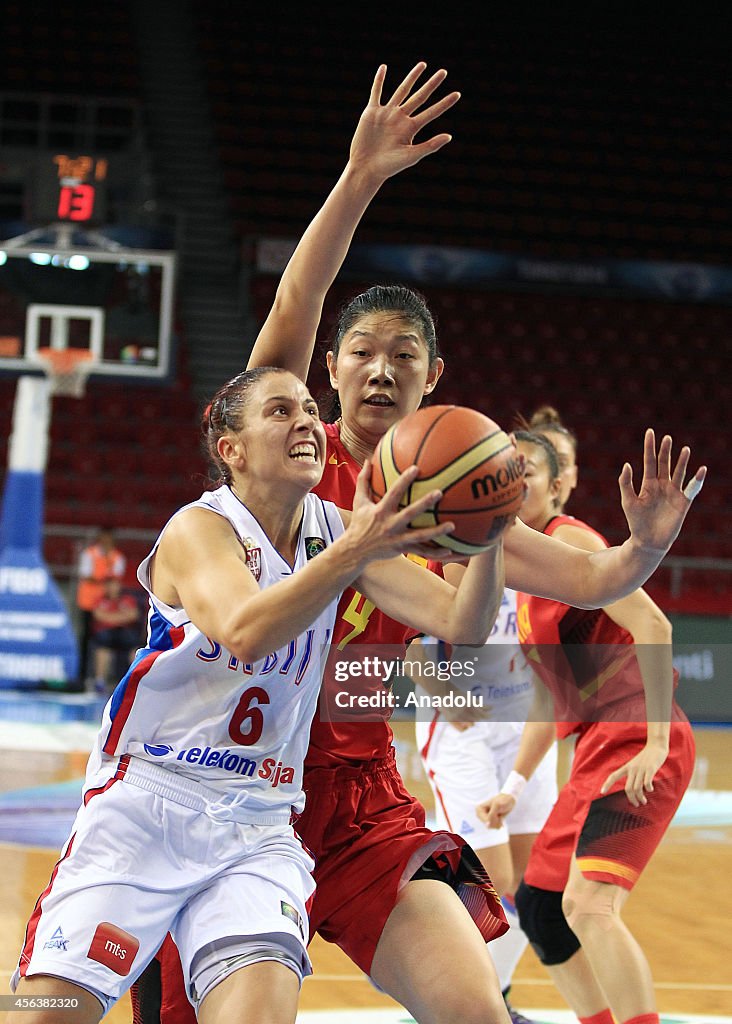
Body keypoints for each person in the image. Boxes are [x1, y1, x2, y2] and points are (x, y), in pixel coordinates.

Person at [132, 62, 706, 1024]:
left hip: (354, 792)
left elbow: (601, 577)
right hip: (215, 782)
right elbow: (292, 308)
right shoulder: (286, 453)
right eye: (362, 351)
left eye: (405, 355)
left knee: (473, 1008)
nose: (382, 369)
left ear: (436, 377)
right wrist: (359, 179)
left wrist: (644, 544)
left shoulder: (449, 504)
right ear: (329, 367)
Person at [8, 365, 512, 1024]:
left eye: (309, 408)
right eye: (280, 411)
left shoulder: (334, 529)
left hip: (258, 822)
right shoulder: (201, 528)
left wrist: (492, 531)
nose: (306, 419)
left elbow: (462, 624)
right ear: (232, 450)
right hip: (148, 808)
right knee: (42, 1016)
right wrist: (355, 548)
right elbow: (247, 631)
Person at [476, 430, 698, 1024]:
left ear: (553, 486)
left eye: (524, 472)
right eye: (502, 473)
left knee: (589, 906)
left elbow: (653, 624)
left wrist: (655, 740)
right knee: (542, 909)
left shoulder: (569, 541)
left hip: (635, 735)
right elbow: (553, 704)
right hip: (594, 746)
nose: (510, 483)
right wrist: (515, 788)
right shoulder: (525, 579)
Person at [410, 409, 578, 1024]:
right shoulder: (460, 537)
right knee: (495, 879)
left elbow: (555, 685)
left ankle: (493, 1001)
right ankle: (442, 991)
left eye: (542, 472)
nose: (532, 483)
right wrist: (451, 698)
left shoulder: (555, 562)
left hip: (523, 728)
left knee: (532, 887)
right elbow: (413, 641)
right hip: (462, 729)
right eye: (522, 470)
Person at [75, 528, 126, 685]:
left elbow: (116, 578)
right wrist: (105, 578)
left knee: (109, 638)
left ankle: (108, 677)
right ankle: (82, 677)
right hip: (88, 603)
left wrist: (99, 579)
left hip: (108, 605)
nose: (106, 542)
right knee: (85, 639)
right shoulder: (89, 554)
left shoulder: (117, 557)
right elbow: (86, 575)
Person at [90, 577, 142, 693]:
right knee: (102, 644)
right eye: (110, 585)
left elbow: (133, 615)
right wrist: (121, 617)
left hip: (125, 632)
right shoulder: (100, 600)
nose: (113, 588)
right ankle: (100, 682)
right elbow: (98, 616)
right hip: (106, 633)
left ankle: (134, 681)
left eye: (115, 585)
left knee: (134, 645)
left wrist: (110, 618)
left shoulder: (128, 599)